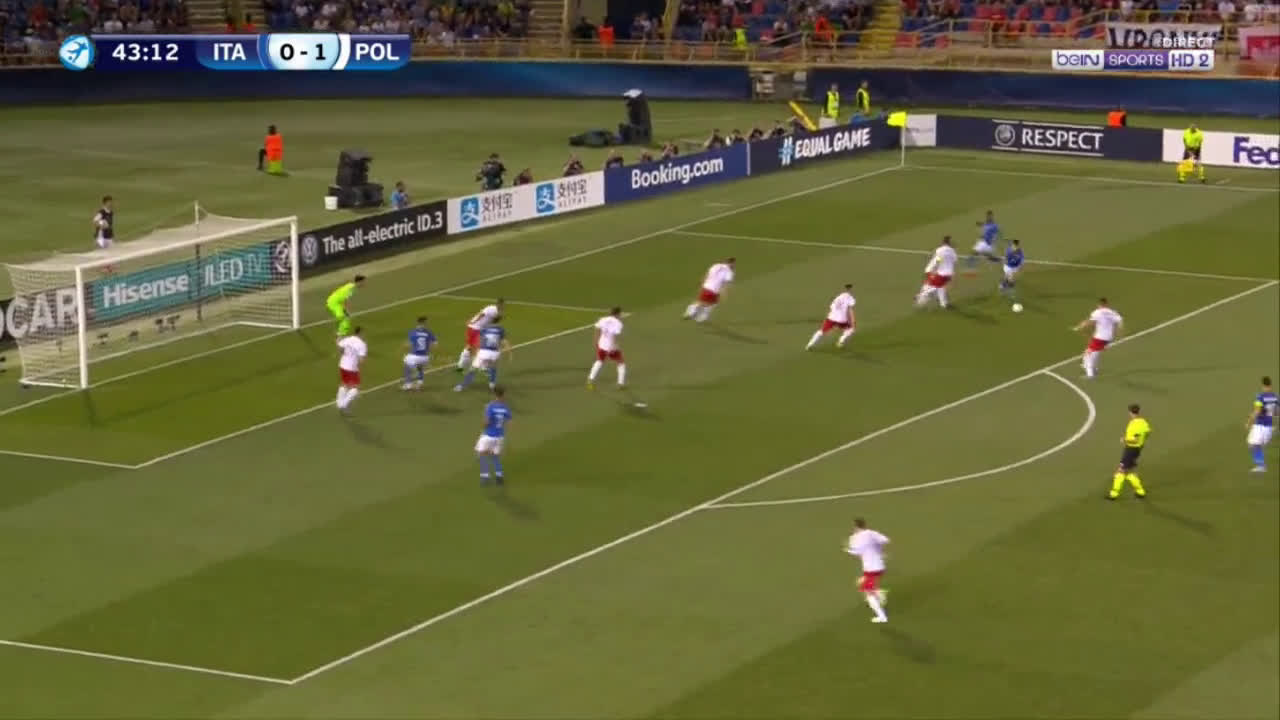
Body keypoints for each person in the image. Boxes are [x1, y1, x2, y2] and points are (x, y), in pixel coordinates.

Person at [845, 517, 889, 623]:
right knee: (861, 582)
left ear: (855, 527)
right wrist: (878, 549)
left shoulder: (854, 538)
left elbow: (856, 552)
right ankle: (878, 593)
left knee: (868, 593)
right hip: (880, 565)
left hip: (870, 568)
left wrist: (848, 550)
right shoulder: (872, 533)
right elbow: (885, 540)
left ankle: (882, 616)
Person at [1108, 404, 1150, 499]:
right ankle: (1140, 491)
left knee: (1120, 471)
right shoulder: (1143, 422)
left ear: (1130, 412)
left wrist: (1124, 439)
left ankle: (1114, 494)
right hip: (1136, 450)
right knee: (1130, 472)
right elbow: (1147, 432)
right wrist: (1142, 442)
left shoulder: (1134, 424)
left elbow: (1135, 439)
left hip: (1131, 450)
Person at [1074, 298, 1123, 379]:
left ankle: (1090, 374)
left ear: (1099, 305)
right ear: (1106, 304)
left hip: (1100, 337)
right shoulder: (1112, 312)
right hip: (1108, 337)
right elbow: (1120, 322)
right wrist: (1119, 334)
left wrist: (1079, 327)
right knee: (1093, 351)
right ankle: (1093, 368)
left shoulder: (1097, 312)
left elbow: (1089, 322)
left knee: (1089, 354)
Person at [455, 322, 510, 391]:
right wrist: (509, 352)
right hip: (495, 353)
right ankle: (492, 384)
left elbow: (479, 342)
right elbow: (504, 341)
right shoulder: (500, 329)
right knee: (493, 368)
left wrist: (476, 353)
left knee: (473, 369)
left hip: (484, 352)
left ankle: (462, 386)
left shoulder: (484, 328)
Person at [476, 385, 511, 485]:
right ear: (503, 394)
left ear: (494, 394)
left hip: (489, 435)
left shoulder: (490, 406)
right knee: (495, 456)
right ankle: (499, 476)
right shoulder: (505, 407)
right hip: (500, 436)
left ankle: (485, 477)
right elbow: (509, 421)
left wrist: (484, 427)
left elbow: (487, 422)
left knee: (481, 453)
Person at [684, 258, 735, 323]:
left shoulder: (716, 265)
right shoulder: (729, 272)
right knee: (711, 304)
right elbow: (725, 284)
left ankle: (691, 311)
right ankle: (700, 316)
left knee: (701, 301)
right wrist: (724, 293)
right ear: (731, 264)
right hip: (715, 290)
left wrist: (702, 283)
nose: (734, 266)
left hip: (706, 286)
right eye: (733, 264)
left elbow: (707, 274)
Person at [806, 284, 856, 350]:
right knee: (851, 329)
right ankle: (841, 341)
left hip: (831, 318)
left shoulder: (837, 298)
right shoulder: (850, 298)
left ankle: (809, 345)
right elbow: (850, 310)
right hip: (842, 319)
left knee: (821, 331)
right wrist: (853, 320)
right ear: (850, 289)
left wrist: (829, 320)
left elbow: (831, 308)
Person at [457, 299, 503, 371]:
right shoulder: (491, 308)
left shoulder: (497, 312)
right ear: (498, 304)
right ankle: (480, 367)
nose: (502, 306)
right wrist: (473, 321)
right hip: (475, 328)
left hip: (477, 329)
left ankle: (461, 366)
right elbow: (481, 314)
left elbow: (492, 320)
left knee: (471, 347)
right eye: (501, 304)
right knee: (476, 347)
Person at [588, 306, 627, 389]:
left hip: (602, 344)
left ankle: (591, 378)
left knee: (599, 361)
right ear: (617, 314)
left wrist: (596, 341)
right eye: (620, 314)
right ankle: (620, 383)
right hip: (611, 347)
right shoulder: (618, 323)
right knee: (621, 362)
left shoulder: (603, 319)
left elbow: (597, 328)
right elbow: (614, 336)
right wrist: (613, 347)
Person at [914, 236, 957, 309]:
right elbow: (954, 260)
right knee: (939, 287)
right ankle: (943, 304)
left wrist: (934, 267)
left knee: (935, 286)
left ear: (943, 242)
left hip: (941, 273)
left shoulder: (939, 250)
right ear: (949, 243)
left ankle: (921, 296)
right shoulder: (952, 251)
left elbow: (938, 260)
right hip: (948, 273)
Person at [1246, 376, 1276, 472]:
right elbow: (1277, 412)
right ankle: (1261, 464)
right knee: (1255, 444)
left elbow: (1257, 412)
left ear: (1263, 385)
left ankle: (1261, 466)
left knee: (1251, 444)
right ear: (1270, 385)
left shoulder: (1260, 397)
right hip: (1269, 427)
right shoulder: (1275, 397)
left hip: (1260, 426)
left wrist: (1249, 421)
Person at [336, 326, 368, 414]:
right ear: (360, 333)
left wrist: (344, 353)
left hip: (342, 364)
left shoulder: (348, 339)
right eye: (364, 333)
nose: (365, 335)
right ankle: (343, 405)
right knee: (355, 388)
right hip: (352, 368)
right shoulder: (362, 344)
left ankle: (339, 403)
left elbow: (339, 346)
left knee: (344, 384)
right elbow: (361, 360)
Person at [402, 316, 436, 390]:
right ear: (424, 323)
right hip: (426, 357)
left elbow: (408, 344)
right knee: (420, 366)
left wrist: (405, 351)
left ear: (418, 323)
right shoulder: (429, 333)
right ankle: (420, 382)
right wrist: (431, 354)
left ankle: (408, 384)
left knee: (406, 364)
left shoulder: (412, 332)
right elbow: (434, 344)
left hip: (415, 356)